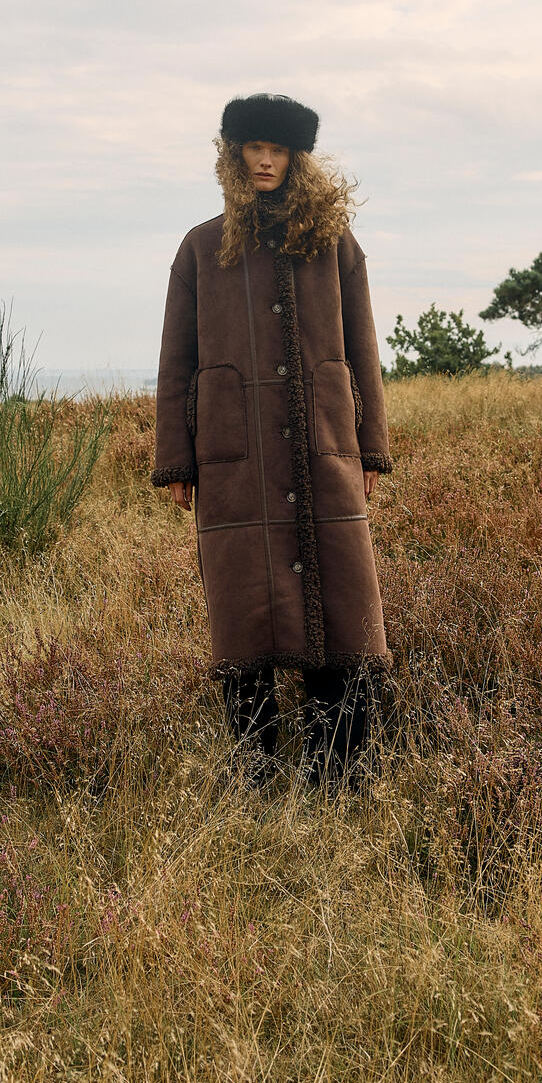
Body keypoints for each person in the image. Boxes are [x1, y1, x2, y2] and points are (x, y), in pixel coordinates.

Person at [151, 93, 394, 787]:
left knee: (341, 607)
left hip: (325, 448)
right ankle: (256, 772)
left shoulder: (334, 245)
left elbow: (362, 352)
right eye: (253, 148)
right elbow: (175, 360)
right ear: (233, 156)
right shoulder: (200, 248)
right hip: (234, 456)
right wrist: (176, 458)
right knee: (243, 616)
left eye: (278, 150)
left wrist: (368, 448)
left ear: (297, 159)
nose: (265, 160)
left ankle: (340, 772)